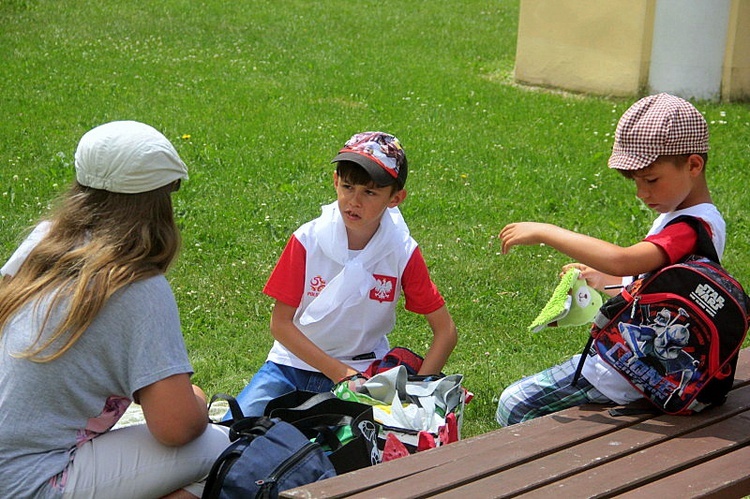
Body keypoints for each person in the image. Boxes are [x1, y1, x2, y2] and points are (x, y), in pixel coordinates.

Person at [0, 121, 230, 498]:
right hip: (32, 481)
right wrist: (197, 401)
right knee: (217, 450)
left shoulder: (43, 240)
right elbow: (176, 427)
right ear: (160, 200)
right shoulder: (136, 284)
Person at [495, 93, 725, 426]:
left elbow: (623, 260)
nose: (642, 193)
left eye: (651, 180)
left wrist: (546, 231)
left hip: (628, 372)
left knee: (513, 404)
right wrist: (602, 280)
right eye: (635, 182)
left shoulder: (691, 228)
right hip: (650, 367)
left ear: (693, 165)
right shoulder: (690, 216)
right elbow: (661, 293)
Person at [230, 131, 458, 418]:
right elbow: (280, 325)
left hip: (364, 371)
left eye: (370, 192)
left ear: (396, 198)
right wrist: (340, 373)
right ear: (336, 181)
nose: (355, 201)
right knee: (233, 434)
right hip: (290, 365)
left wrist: (418, 392)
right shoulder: (307, 240)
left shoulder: (402, 251)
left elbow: (446, 332)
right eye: (348, 186)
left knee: (360, 452)